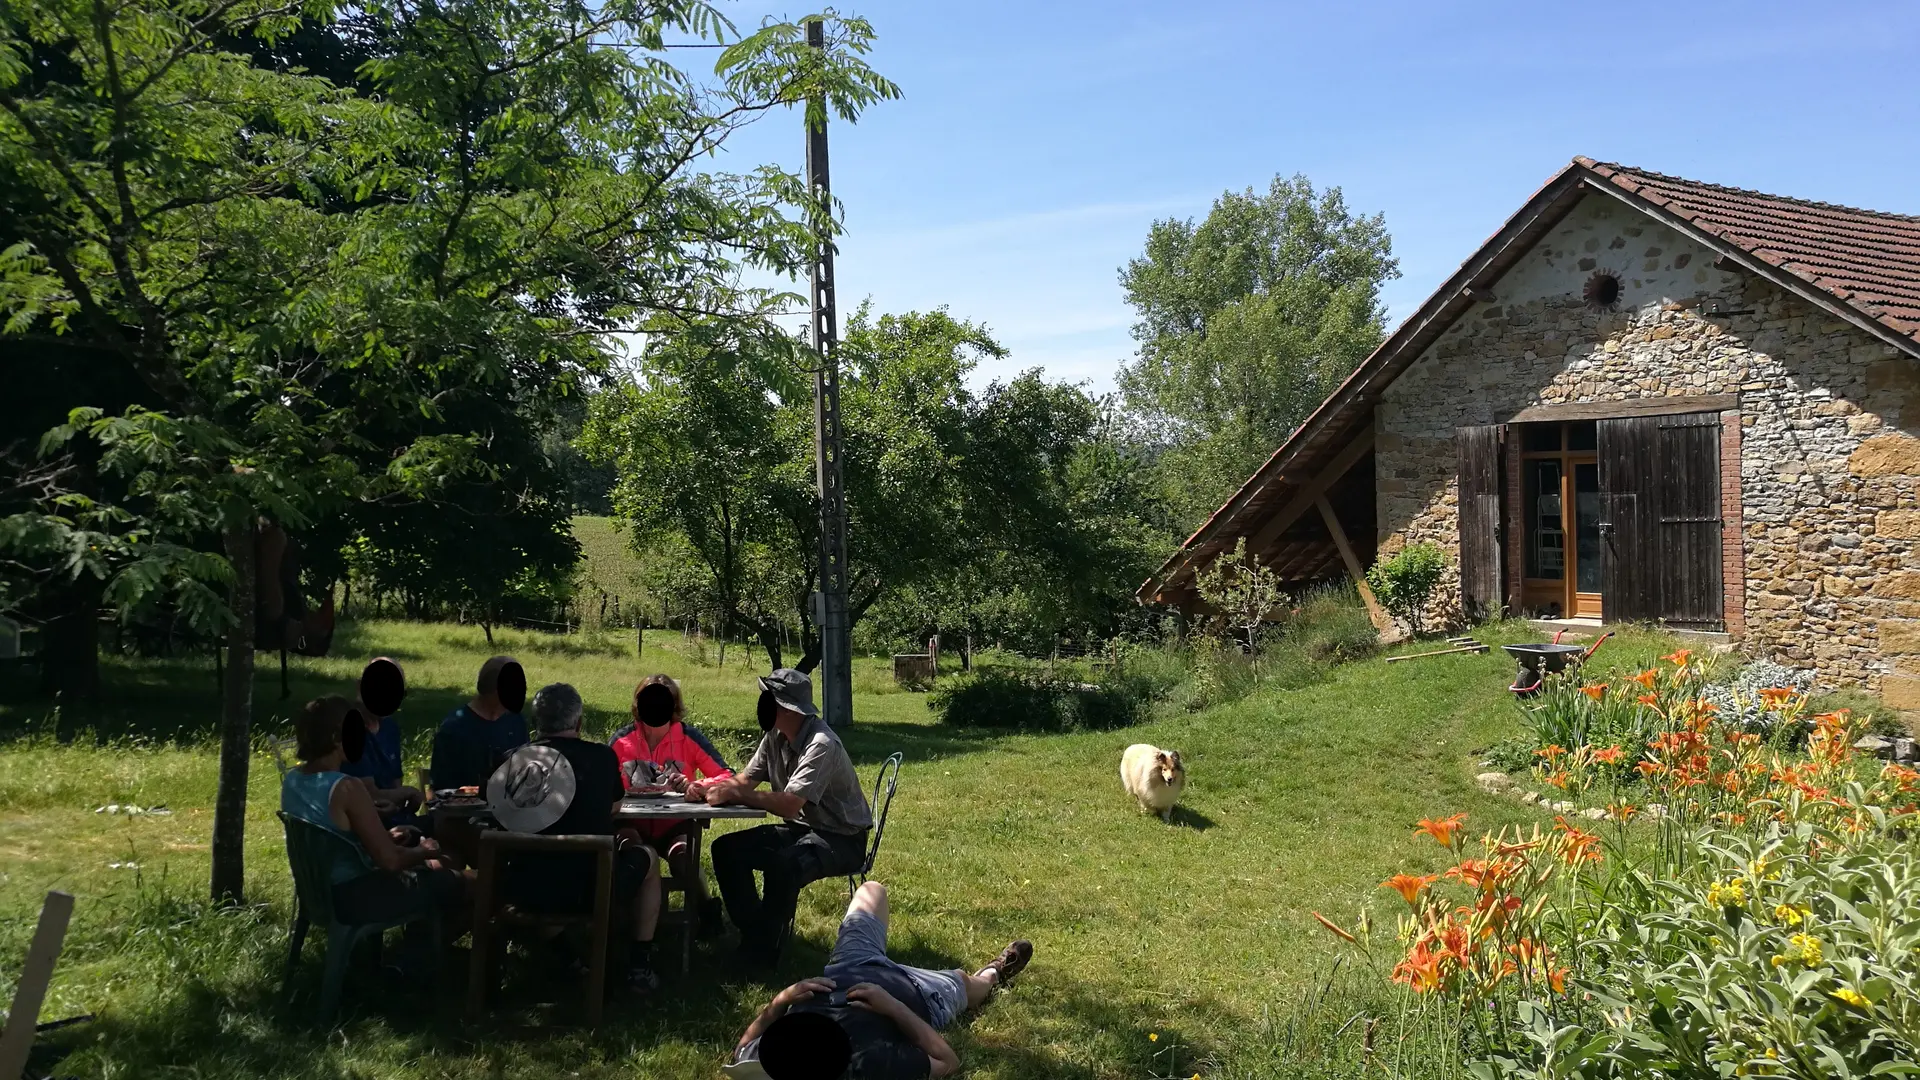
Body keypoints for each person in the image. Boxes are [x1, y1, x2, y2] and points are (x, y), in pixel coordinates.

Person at [729, 881, 1032, 1079]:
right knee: (965, 983)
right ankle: (994, 972)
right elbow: (948, 1061)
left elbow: (741, 1051)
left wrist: (781, 1000)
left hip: (851, 964)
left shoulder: (770, 1060)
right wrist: (892, 1007)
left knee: (871, 891)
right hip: (917, 995)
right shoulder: (867, 1065)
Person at [492, 683, 664, 992]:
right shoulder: (601, 758)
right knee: (648, 857)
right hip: (592, 890)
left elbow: (493, 812)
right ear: (579, 722)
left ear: (536, 724)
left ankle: (568, 958)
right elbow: (614, 806)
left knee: (546, 867)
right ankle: (639, 966)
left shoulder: (509, 761)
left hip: (522, 890)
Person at [280, 695, 468, 973]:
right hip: (356, 898)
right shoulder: (346, 787)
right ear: (335, 737)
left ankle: (413, 955)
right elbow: (390, 862)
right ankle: (414, 962)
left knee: (440, 871)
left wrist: (389, 838)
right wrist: (425, 850)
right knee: (463, 881)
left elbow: (333, 833)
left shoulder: (294, 780)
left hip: (319, 894)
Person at [706, 668, 872, 965]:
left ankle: (764, 953)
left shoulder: (821, 744)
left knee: (784, 866)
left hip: (842, 838)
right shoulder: (775, 735)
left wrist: (737, 794)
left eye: (768, 700)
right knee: (725, 849)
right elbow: (746, 780)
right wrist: (710, 788)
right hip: (803, 829)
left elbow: (790, 805)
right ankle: (756, 933)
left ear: (787, 708)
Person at [610, 674, 734, 921]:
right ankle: (626, 921)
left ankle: (707, 910)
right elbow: (603, 780)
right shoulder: (621, 741)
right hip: (631, 823)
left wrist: (695, 785)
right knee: (632, 851)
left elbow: (728, 775)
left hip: (676, 825)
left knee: (684, 858)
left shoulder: (689, 737)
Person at [341, 657, 424, 827]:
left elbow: (395, 783)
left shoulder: (390, 727)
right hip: (365, 826)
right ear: (360, 686)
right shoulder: (350, 730)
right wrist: (408, 793)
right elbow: (370, 795)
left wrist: (399, 801)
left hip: (394, 820)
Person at [430, 655, 529, 790]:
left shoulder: (516, 721)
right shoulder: (455, 727)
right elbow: (442, 786)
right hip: (465, 807)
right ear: (496, 691)